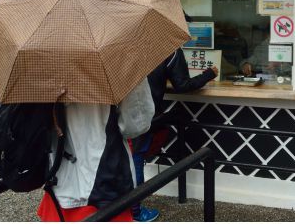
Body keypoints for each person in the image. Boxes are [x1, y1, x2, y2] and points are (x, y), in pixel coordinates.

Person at [131, 15, 218, 222]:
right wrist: (209, 73)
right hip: (144, 114)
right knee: (136, 160)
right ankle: (134, 211)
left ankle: (115, 207)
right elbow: (183, 85)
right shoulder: (169, 51)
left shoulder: (129, 44)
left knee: (123, 158)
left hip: (115, 112)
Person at [37, 77, 155, 222]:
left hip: (58, 179)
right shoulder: (120, 59)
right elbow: (136, 125)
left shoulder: (40, 63)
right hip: (103, 182)